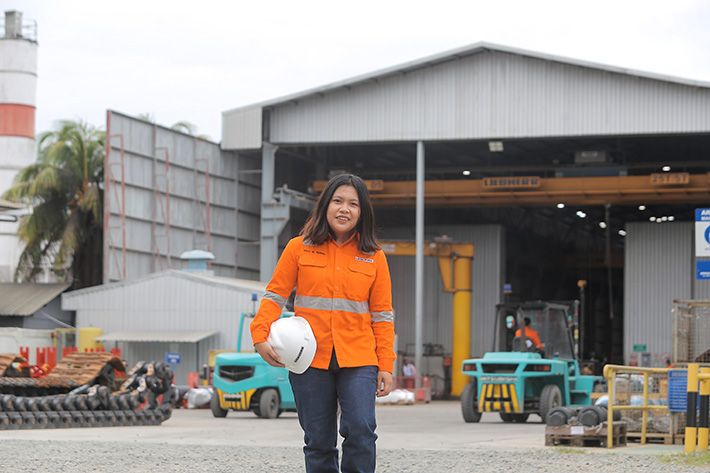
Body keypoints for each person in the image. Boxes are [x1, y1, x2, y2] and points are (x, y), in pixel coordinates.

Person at [250, 173, 395, 473]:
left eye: (353, 204)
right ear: (325, 205)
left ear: (362, 211)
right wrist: (259, 334)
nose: (344, 209)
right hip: (308, 359)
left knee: (361, 432)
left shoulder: (375, 257)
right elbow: (275, 295)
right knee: (317, 440)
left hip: (359, 359)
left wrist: (386, 364)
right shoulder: (298, 248)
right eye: (338, 201)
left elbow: (382, 315)